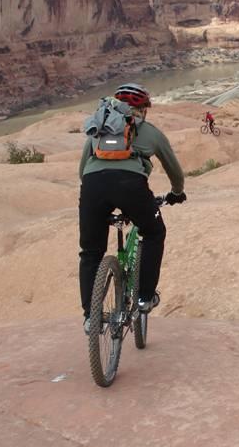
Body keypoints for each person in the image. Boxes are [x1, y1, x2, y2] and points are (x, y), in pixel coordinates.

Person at [78, 83, 186, 333]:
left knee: (90, 251)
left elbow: (83, 169)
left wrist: (97, 198)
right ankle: (144, 297)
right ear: (143, 110)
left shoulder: (100, 125)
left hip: (94, 187)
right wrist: (177, 193)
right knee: (154, 232)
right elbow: (175, 171)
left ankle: (89, 317)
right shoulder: (150, 132)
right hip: (131, 187)